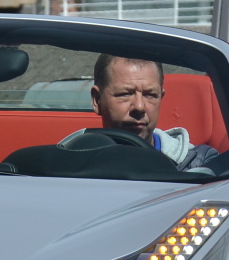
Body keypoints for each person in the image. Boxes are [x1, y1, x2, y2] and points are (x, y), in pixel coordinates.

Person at [86, 53, 217, 172]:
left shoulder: (201, 163)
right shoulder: (71, 160)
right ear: (97, 100)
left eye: (150, 95)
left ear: (161, 97)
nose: (139, 106)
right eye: (125, 94)